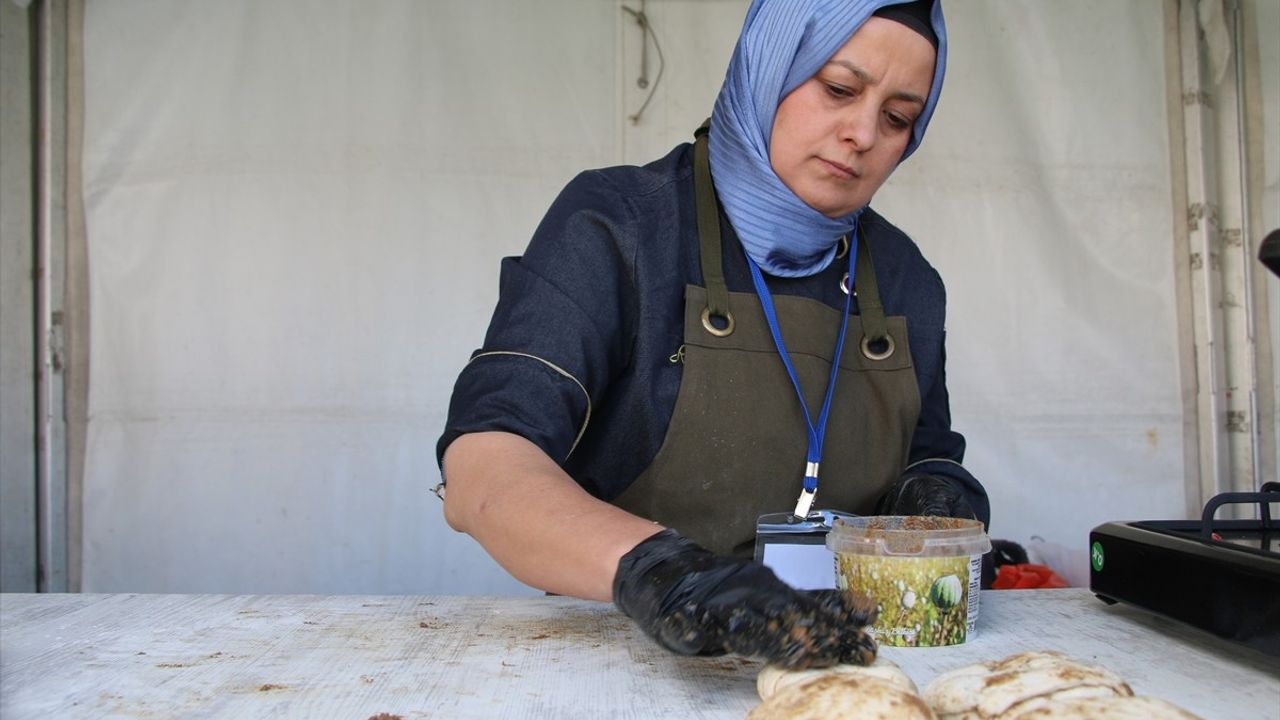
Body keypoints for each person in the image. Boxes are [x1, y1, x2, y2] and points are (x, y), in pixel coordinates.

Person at [436, 0, 988, 669]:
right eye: (839, 89)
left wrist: (938, 496)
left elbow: (927, 454)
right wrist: (662, 574)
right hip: (619, 664)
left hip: (838, 660)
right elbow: (485, 467)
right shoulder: (621, 228)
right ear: (769, 65)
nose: (864, 133)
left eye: (899, 117)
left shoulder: (904, 278)